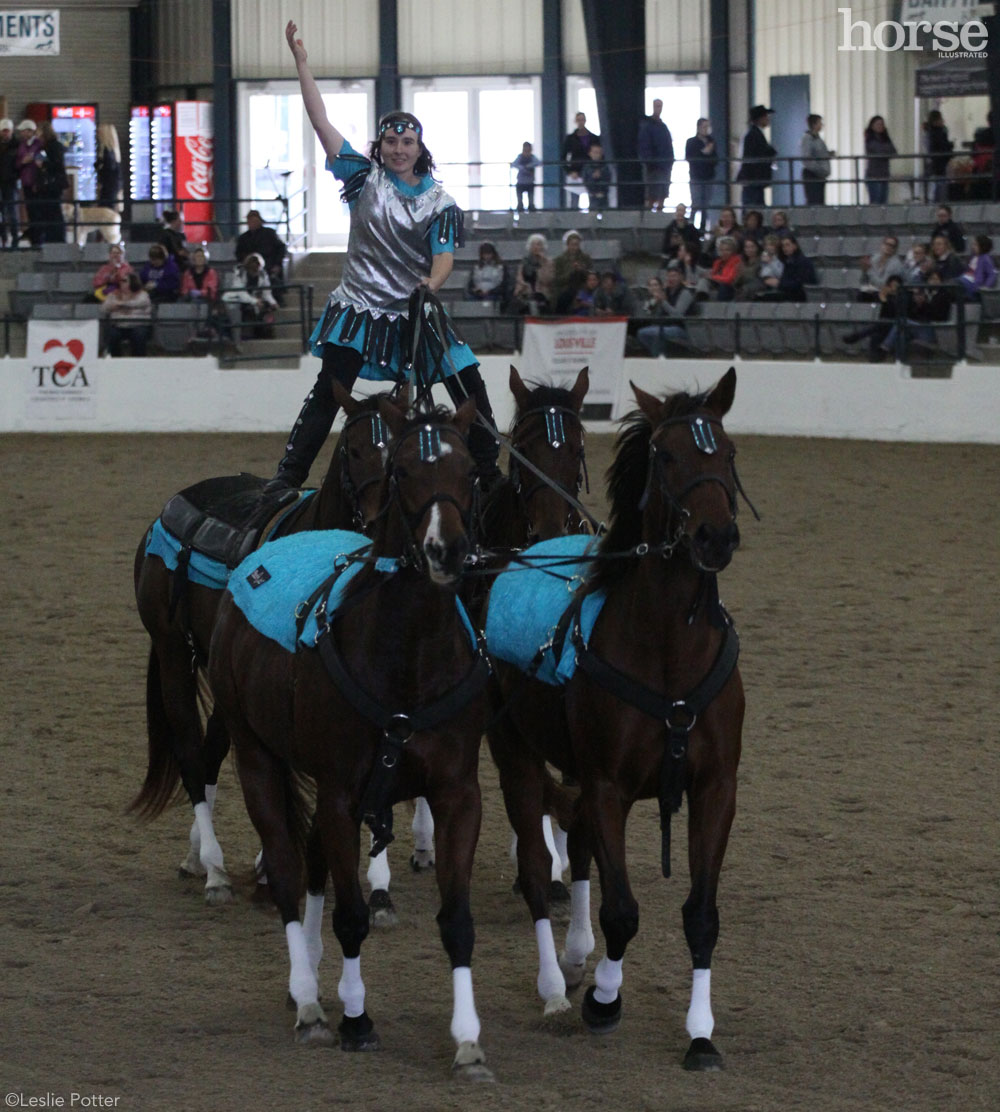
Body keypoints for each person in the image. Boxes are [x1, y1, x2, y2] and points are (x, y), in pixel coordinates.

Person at [265, 21, 500, 492]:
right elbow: (320, 122)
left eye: (407, 142)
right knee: (329, 392)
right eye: (391, 142)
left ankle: (490, 476)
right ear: (380, 145)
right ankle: (287, 478)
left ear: (419, 149)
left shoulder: (441, 203)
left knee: (469, 386)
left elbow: (443, 259)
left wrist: (430, 287)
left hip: (416, 306)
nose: (398, 149)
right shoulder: (361, 179)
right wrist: (302, 64)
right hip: (359, 308)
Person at [637, 267, 694, 355]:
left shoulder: (685, 293)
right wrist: (654, 301)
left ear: (680, 277)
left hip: (681, 327)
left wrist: (663, 302)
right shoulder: (665, 291)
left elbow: (677, 315)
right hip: (664, 325)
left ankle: (658, 357)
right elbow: (647, 312)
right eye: (669, 276)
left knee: (658, 333)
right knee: (642, 333)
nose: (671, 279)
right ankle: (659, 355)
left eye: (674, 276)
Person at [235, 209, 288, 302]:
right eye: (250, 221)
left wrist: (277, 264)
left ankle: (277, 298)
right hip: (250, 267)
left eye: (254, 221)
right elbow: (239, 253)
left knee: (272, 277)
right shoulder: (243, 238)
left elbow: (281, 248)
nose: (252, 223)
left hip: (269, 264)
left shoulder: (270, 233)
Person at [223, 252, 277, 337]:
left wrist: (272, 302)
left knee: (265, 309)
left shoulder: (263, 275)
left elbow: (267, 293)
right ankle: (239, 338)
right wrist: (254, 301)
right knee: (240, 312)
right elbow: (240, 292)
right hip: (235, 300)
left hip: (252, 300)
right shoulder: (239, 274)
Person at [102, 272, 152, 356]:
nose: (121, 282)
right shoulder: (113, 294)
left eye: (124, 280)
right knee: (112, 335)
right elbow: (105, 308)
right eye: (120, 281)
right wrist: (130, 307)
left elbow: (142, 303)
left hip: (138, 325)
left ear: (132, 282)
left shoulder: (142, 294)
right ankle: (116, 359)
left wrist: (120, 305)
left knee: (139, 335)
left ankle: (138, 361)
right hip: (119, 326)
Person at [736, 105, 776, 209]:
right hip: (754, 180)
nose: (768, 119)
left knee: (756, 208)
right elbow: (753, 156)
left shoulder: (754, 134)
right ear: (760, 118)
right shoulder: (753, 135)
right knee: (754, 208)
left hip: (754, 180)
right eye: (766, 116)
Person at [637, 99, 674, 212]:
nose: (658, 109)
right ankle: (649, 219)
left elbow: (668, 145)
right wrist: (649, 163)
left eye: (660, 106)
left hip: (664, 166)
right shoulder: (647, 126)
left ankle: (659, 217)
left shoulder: (663, 127)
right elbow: (644, 146)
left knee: (662, 194)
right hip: (653, 167)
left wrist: (670, 162)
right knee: (651, 195)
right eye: (657, 106)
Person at [685, 118, 717, 230]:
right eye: (704, 127)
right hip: (696, 177)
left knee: (705, 205)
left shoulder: (711, 141)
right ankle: (690, 226)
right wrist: (704, 153)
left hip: (709, 177)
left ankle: (703, 229)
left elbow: (715, 159)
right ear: (698, 127)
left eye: (708, 127)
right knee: (696, 202)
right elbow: (690, 158)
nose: (706, 129)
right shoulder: (691, 142)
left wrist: (707, 154)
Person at [562, 112, 598, 210]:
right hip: (575, 172)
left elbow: (599, 155)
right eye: (579, 120)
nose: (581, 122)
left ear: (585, 121)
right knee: (574, 201)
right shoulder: (570, 139)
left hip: (590, 171)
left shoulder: (594, 138)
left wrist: (597, 169)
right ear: (575, 121)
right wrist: (569, 172)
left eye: (582, 119)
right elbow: (563, 157)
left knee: (593, 199)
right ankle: (574, 223)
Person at [512, 233, 554, 313]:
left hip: (542, 292)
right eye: (533, 245)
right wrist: (524, 285)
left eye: (538, 244)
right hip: (526, 290)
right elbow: (519, 278)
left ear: (543, 247)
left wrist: (542, 262)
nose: (536, 247)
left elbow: (547, 280)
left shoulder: (548, 262)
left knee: (538, 300)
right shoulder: (524, 262)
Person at [552, 229, 593, 309]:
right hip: (565, 289)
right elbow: (557, 280)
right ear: (567, 245)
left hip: (582, 288)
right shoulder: (559, 260)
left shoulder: (586, 258)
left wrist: (582, 270)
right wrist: (571, 271)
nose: (575, 247)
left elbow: (590, 276)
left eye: (576, 245)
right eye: (572, 245)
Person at [799, 114, 834, 206]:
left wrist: (827, 154)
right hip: (813, 174)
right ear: (814, 125)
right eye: (820, 123)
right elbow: (806, 157)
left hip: (819, 174)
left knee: (819, 201)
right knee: (814, 201)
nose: (821, 125)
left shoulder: (818, 139)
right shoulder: (807, 138)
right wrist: (819, 169)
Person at [857, 235, 903, 300]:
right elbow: (862, 281)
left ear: (895, 249)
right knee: (861, 293)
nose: (888, 247)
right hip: (872, 290)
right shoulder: (874, 258)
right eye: (887, 244)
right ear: (882, 245)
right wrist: (864, 271)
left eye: (892, 246)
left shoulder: (896, 264)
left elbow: (883, 284)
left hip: (887, 294)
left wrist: (869, 271)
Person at [863, 116, 896, 205]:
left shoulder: (885, 138)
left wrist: (884, 150)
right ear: (872, 126)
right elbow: (879, 151)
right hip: (873, 175)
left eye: (882, 124)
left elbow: (893, 151)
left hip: (884, 174)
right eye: (878, 124)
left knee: (883, 202)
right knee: (875, 202)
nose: (880, 126)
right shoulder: (870, 139)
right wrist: (885, 150)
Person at [923, 110, 953, 203]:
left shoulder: (937, 132)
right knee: (939, 185)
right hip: (938, 163)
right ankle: (938, 202)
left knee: (940, 184)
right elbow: (937, 146)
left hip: (940, 162)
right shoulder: (934, 134)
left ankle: (938, 201)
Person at [0, 118, 20, 248]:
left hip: (11, 182)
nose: (5, 133)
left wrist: (16, 176)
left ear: (11, 131)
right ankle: (3, 238)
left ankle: (15, 238)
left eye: (7, 131)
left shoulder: (18, 145)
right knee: (1, 213)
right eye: (3, 131)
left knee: (12, 212)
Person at [958, 235, 997, 300]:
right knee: (953, 284)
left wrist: (985, 288)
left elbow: (992, 275)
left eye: (975, 245)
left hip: (973, 284)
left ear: (982, 246)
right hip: (965, 279)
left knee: (955, 284)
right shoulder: (973, 257)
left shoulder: (985, 259)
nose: (973, 247)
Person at [95, 124, 122, 210]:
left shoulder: (107, 151)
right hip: (113, 185)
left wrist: (99, 166)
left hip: (108, 186)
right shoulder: (113, 150)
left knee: (105, 208)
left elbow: (108, 169)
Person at [707, 236, 741, 301]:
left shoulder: (737, 261)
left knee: (724, 287)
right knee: (703, 281)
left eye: (727, 250)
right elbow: (712, 275)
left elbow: (730, 279)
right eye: (722, 250)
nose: (724, 252)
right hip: (716, 284)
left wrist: (713, 278)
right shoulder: (717, 262)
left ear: (733, 251)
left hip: (730, 287)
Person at [510, 141, 540, 213]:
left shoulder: (532, 157)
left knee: (531, 203)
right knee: (520, 204)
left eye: (528, 150)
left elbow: (539, 162)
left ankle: (531, 218)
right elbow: (513, 164)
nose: (527, 152)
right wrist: (522, 167)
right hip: (521, 182)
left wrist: (529, 166)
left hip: (530, 182)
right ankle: (521, 217)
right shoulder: (520, 157)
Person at [582, 142, 612, 211]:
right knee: (592, 213)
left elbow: (608, 179)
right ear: (590, 153)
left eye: (599, 152)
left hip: (603, 195)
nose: (597, 155)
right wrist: (592, 178)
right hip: (592, 195)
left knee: (606, 214)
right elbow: (585, 180)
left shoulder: (605, 166)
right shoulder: (587, 167)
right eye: (595, 152)